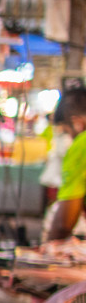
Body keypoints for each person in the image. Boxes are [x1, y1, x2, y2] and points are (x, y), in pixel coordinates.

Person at [44, 89, 86, 241]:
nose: (69, 137)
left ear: (77, 123)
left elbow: (64, 225)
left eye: (66, 131)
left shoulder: (82, 144)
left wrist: (46, 252)